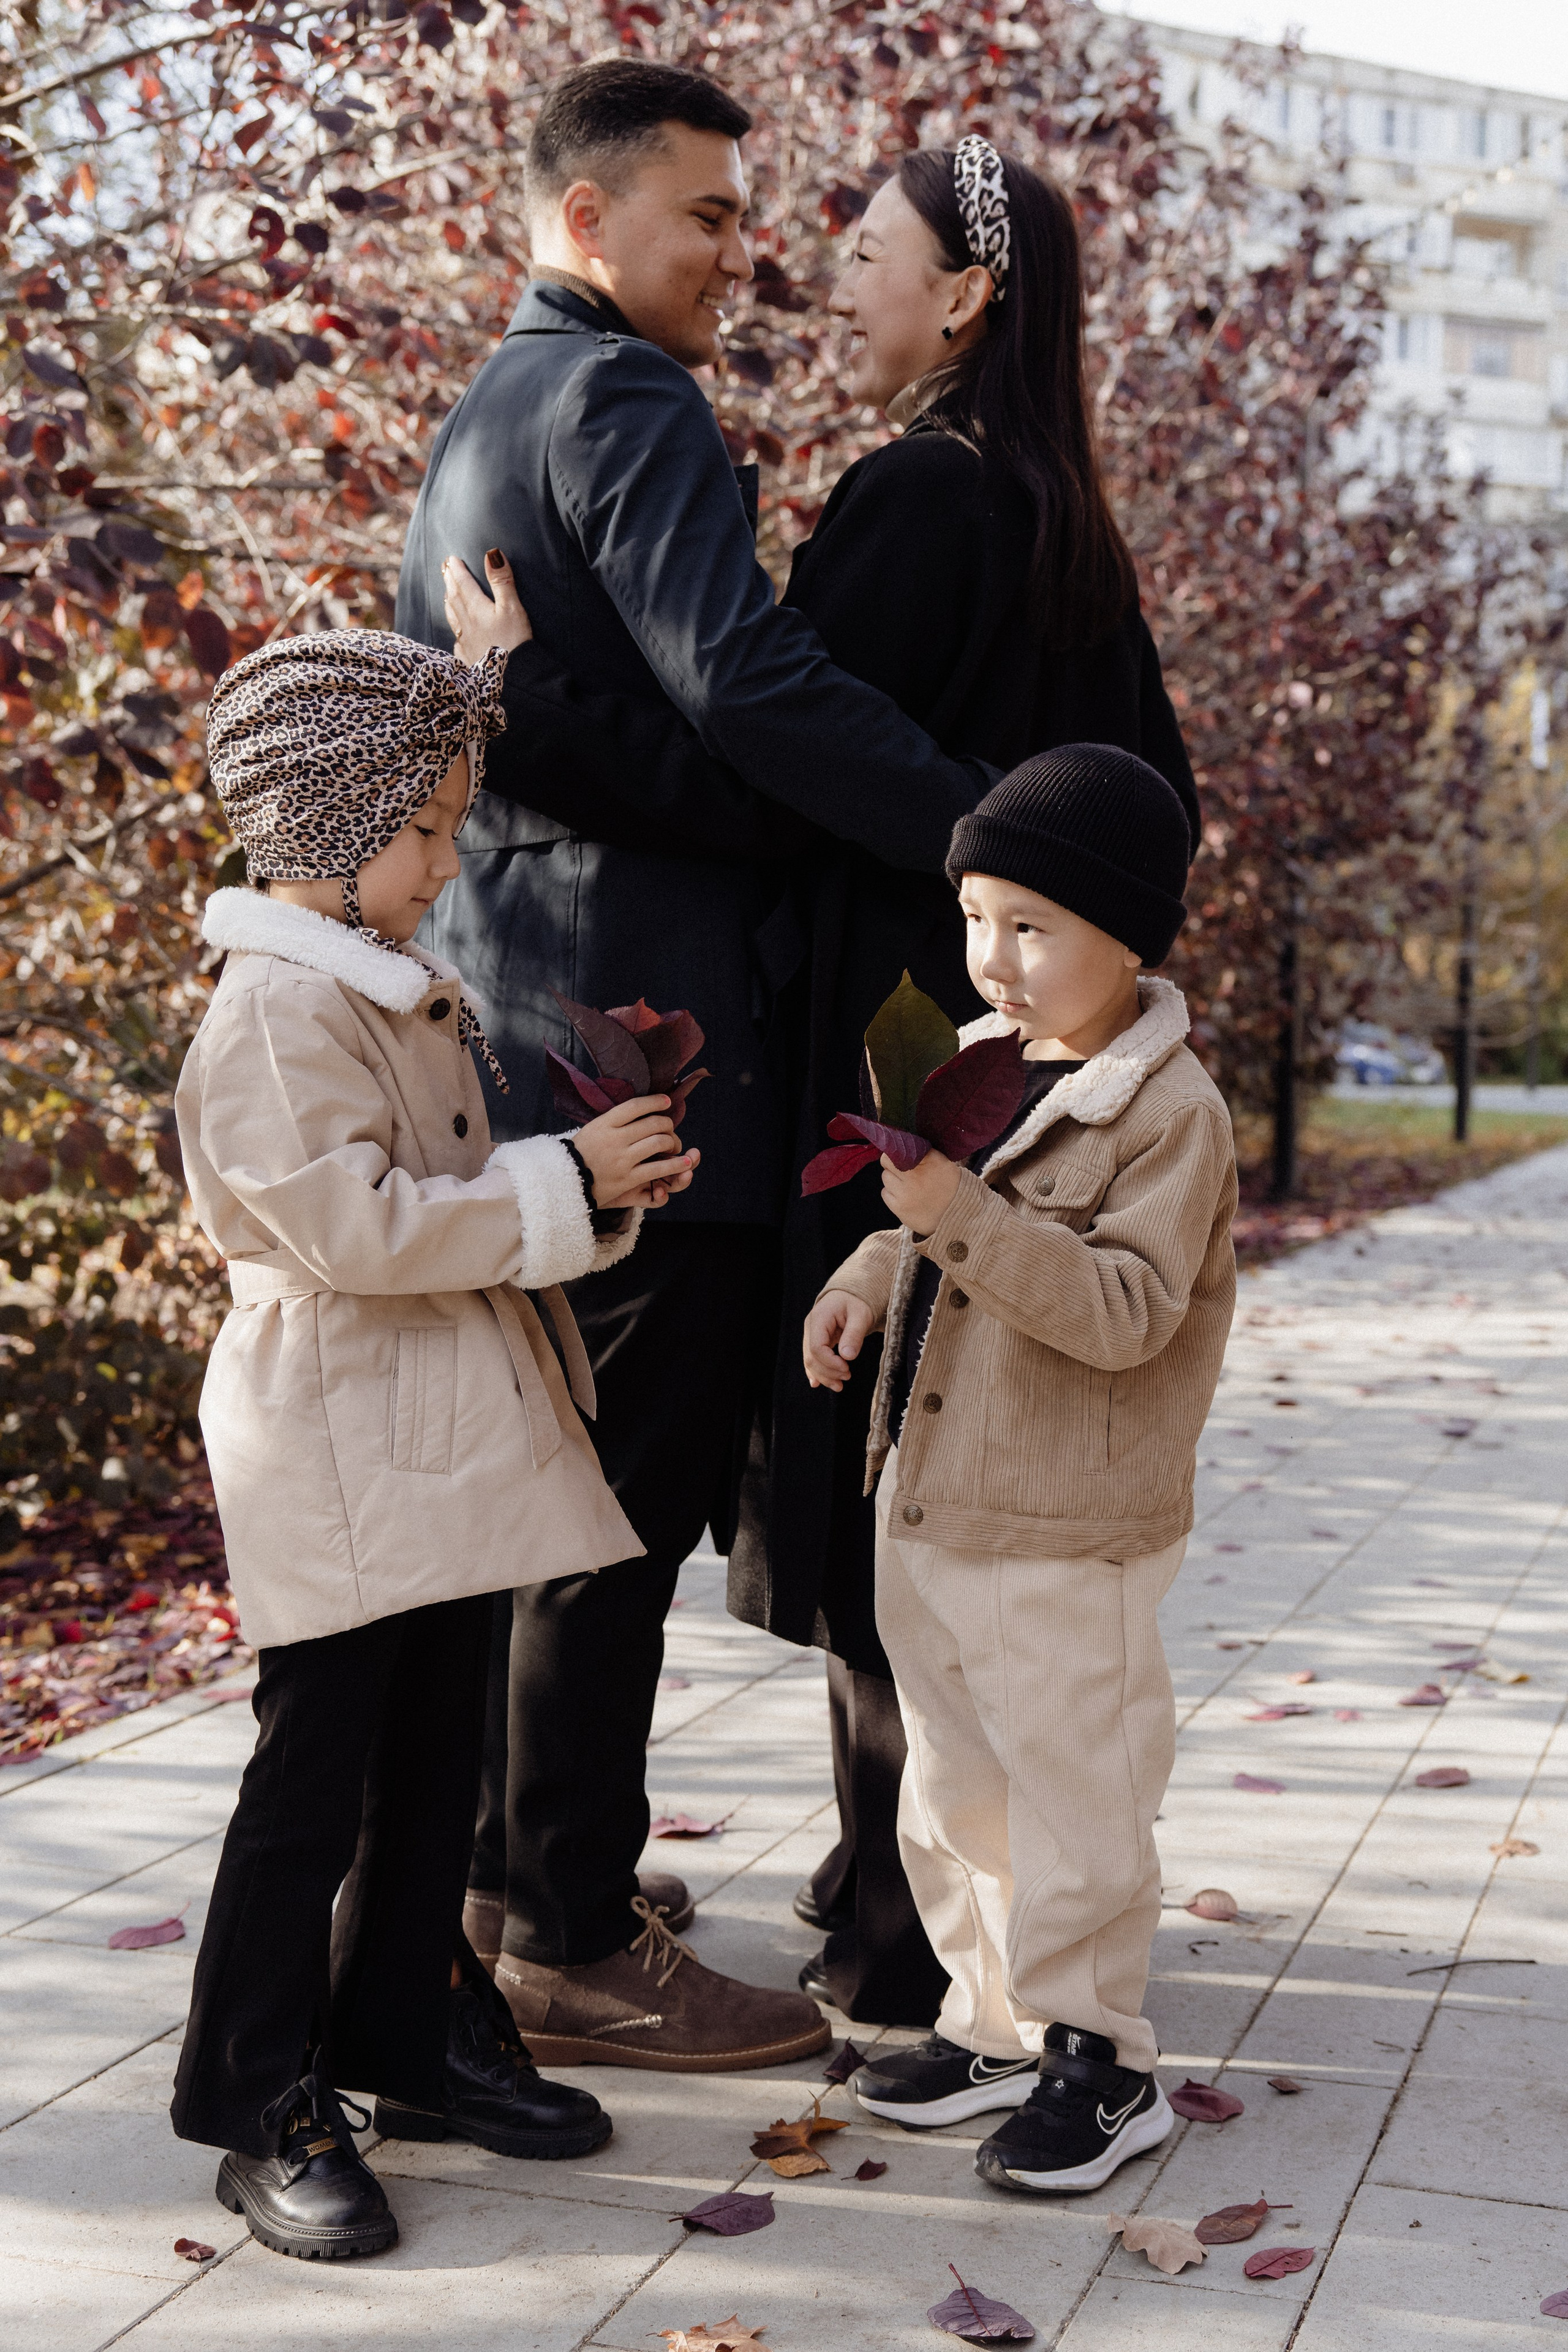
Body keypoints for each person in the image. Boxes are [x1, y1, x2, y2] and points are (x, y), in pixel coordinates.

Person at [440, 134, 1198, 2027]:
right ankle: (875, 1892)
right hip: (1026, 1046)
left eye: (865, 253)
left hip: (892, 1052)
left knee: (883, 1471)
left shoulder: (916, 502)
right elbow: (1150, 804)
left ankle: (881, 1928)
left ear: (963, 299)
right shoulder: (1066, 517)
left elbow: (770, 758)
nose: (820, 279)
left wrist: (533, 706)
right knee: (955, 1450)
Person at [397, 58, 1000, 2070]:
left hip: (521, 1016)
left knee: (548, 1483)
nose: (745, 256)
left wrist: (594, 742)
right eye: (714, 217)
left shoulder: (485, 415)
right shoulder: (620, 395)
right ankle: (564, 1932)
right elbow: (741, 679)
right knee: (613, 1505)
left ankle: (511, 1873)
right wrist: (964, 829)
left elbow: (556, 730)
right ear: (590, 221)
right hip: (639, 1047)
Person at [169, 631, 698, 2260]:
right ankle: (254, 2091)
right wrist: (562, 1185)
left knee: (432, 1762)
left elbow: (437, 1209)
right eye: (429, 830)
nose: (449, 859)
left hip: (430, 1431)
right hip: (338, 1437)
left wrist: (580, 1186)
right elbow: (353, 1226)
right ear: (333, 833)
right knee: (314, 1775)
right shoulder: (274, 1014)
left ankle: (398, 2027)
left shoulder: (378, 986)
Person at [804, 747, 1235, 2194]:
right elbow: (944, 1220)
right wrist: (871, 1265)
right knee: (952, 1786)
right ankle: (990, 2023)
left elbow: (1114, 1308)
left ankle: (1098, 2057)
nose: (990, 957)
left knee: (1073, 1794)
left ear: (1129, 936)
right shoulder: (998, 1073)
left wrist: (941, 1214)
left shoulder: (1163, 1115)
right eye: (977, 918)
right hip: (933, 1503)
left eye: (1032, 924)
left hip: (1064, 1526)